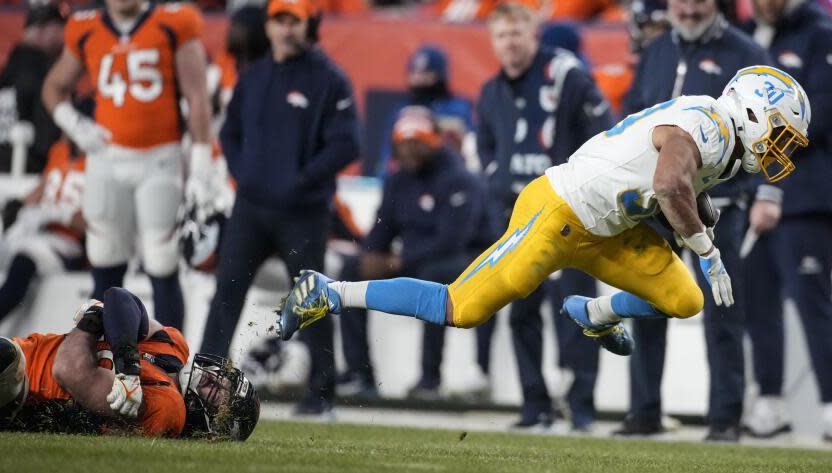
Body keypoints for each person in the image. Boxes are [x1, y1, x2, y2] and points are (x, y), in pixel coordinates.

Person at [277, 66, 811, 445]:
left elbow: (681, 186)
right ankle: (331, 291)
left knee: (685, 299)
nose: (782, 148)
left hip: (609, 230)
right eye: (782, 133)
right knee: (461, 307)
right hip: (558, 211)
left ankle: (595, 312)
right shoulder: (713, 124)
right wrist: (707, 248)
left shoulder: (723, 141)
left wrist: (703, 210)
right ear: (753, 110)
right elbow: (671, 184)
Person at [617, 0, 770, 442]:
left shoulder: (744, 53)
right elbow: (631, 118)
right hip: (655, 202)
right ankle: (643, 411)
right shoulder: (656, 50)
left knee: (723, 313)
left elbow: (768, 132)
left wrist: (765, 192)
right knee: (647, 305)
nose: (687, 8)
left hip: (721, 205)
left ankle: (724, 418)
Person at [198, 0, 360, 417]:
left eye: (294, 22)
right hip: (251, 207)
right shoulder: (254, 76)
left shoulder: (329, 79)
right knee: (226, 293)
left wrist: (302, 180)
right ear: (268, 27)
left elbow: (348, 144)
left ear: (308, 27)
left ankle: (322, 395)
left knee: (312, 300)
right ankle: (204, 386)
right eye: (279, 21)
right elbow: (230, 132)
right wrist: (243, 173)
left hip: (302, 212)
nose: (286, 30)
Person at [476, 3, 614, 431]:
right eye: (501, 35)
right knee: (521, 313)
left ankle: (582, 407)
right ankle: (534, 404)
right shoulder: (490, 91)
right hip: (519, 219)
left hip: (570, 215)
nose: (510, 42)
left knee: (578, 310)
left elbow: (602, 131)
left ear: (535, 35)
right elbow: (485, 146)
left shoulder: (566, 75)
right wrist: (497, 180)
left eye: (517, 33)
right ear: (493, 42)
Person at [41, 0, 213, 330]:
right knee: (104, 257)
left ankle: (168, 363)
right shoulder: (85, 27)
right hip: (107, 160)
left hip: (159, 158)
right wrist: (75, 124)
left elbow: (198, 96)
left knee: (162, 259)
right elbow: (53, 87)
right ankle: (99, 358)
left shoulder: (172, 21)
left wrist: (202, 162)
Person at [337, 107, 497, 400]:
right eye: (403, 142)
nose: (409, 149)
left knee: (433, 277)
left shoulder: (459, 178)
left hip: (468, 261)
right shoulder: (397, 181)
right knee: (351, 271)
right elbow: (382, 231)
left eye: (417, 141)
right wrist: (370, 256)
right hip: (416, 258)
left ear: (434, 141)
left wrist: (397, 261)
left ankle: (429, 379)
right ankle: (360, 373)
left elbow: (452, 240)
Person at [739, 0, 832, 442]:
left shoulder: (819, 33)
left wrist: (770, 182)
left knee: (814, 305)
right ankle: (770, 401)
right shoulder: (749, 33)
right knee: (758, 304)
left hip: (804, 197)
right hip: (750, 195)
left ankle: (830, 403)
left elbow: (818, 118)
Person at [0, 287, 259, 440]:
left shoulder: (168, 407)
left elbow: (69, 370)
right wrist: (127, 366)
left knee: (2, 356)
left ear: (216, 428)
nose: (218, 382)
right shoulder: (173, 346)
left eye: (226, 398)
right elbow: (121, 299)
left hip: (22, 393)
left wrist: (92, 321)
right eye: (227, 378)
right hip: (18, 352)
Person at [0, 134, 87, 331]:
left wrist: (59, 215)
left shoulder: (98, 161)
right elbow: (43, 185)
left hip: (68, 242)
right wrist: (18, 206)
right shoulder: (59, 149)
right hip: (37, 233)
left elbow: (95, 224)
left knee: (22, 263)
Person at [375, 46, 474, 177]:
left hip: (449, 176)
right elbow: (388, 157)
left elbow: (472, 148)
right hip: (411, 178)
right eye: (414, 73)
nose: (418, 78)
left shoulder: (458, 108)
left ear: (439, 75)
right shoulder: (402, 111)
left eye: (426, 73)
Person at [0, 3, 68, 174]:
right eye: (59, 29)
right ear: (41, 30)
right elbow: (47, 133)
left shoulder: (12, 67)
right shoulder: (37, 68)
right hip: (32, 172)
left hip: (2, 168)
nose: (65, 36)